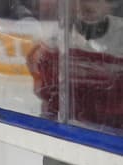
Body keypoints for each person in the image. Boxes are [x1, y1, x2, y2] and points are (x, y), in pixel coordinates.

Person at [26, 0, 123, 131]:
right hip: (64, 134)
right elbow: (47, 92)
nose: (87, 5)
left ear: (110, 4)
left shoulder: (120, 36)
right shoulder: (56, 40)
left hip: (110, 138)